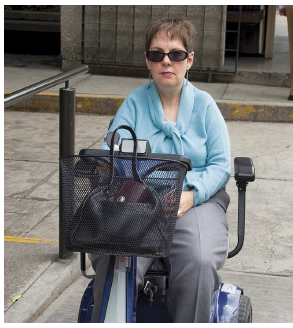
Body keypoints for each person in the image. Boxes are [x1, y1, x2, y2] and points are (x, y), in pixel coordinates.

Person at [89, 17, 231, 323]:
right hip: (141, 199)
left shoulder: (205, 107)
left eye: (176, 54)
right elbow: (114, 154)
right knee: (116, 254)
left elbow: (220, 165)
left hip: (195, 200)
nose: (166, 61)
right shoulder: (134, 104)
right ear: (148, 61)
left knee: (199, 258)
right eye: (157, 54)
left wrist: (190, 196)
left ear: (189, 59)